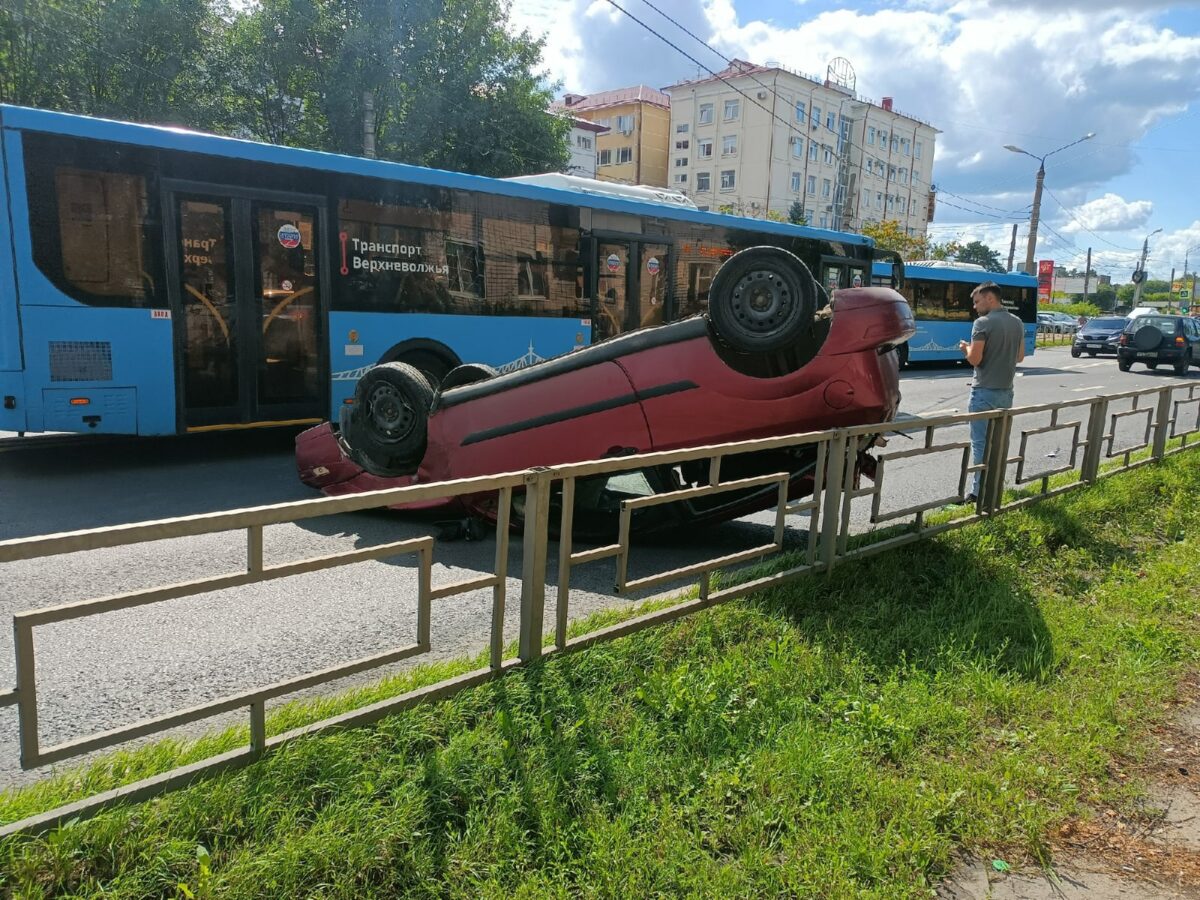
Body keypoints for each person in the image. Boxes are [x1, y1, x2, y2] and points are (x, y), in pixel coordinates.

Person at [957, 281, 1025, 502]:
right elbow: (1020, 357)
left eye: (977, 302)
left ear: (990, 298)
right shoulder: (1017, 322)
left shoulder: (982, 323)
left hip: (983, 392)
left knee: (980, 444)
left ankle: (978, 493)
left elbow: (975, 359)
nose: (975, 307)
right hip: (1006, 392)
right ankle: (996, 488)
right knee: (998, 444)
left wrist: (966, 348)